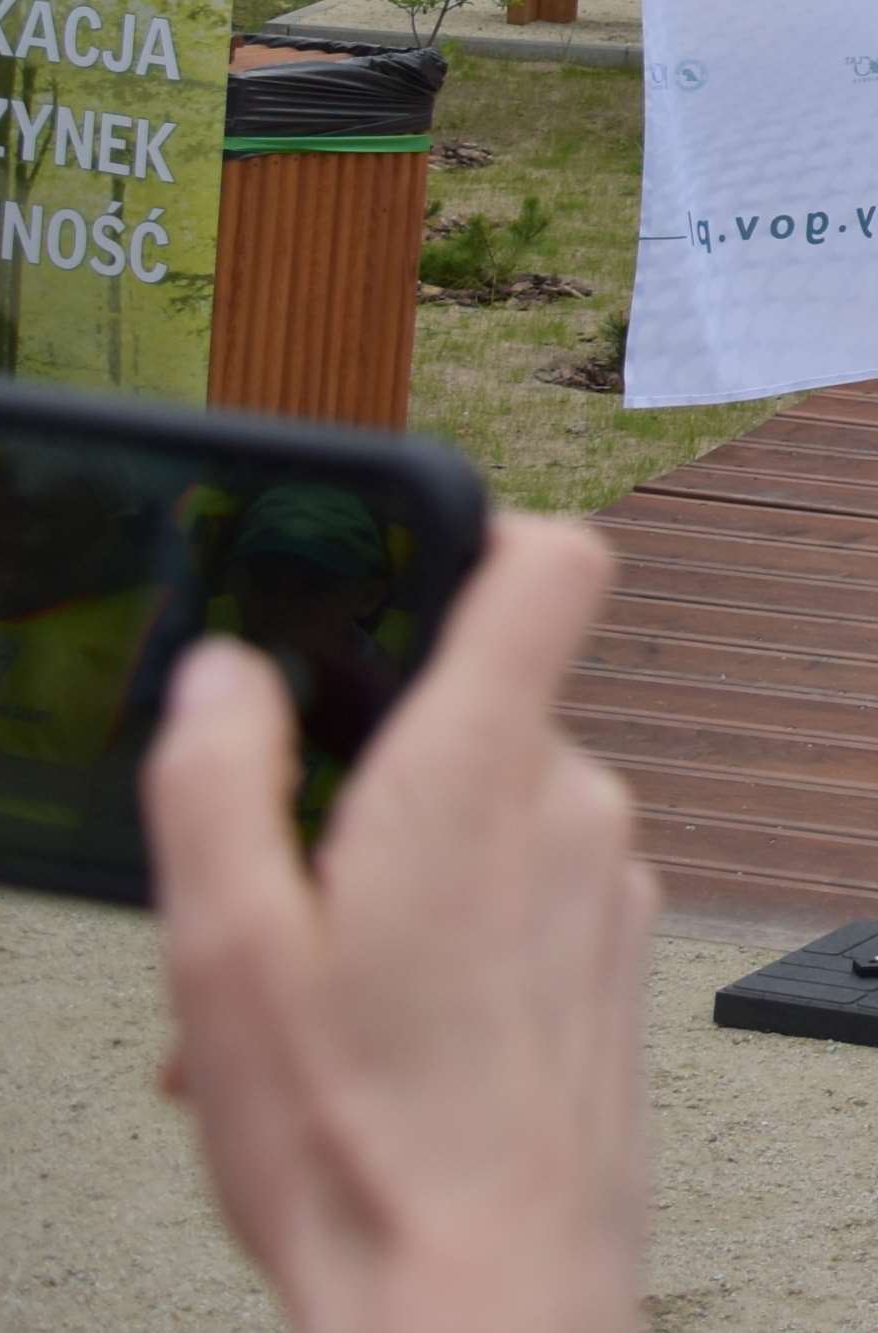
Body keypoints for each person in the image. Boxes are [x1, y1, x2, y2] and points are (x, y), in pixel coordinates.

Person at [143, 511, 654, 1333]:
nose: (287, 599)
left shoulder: (383, 699)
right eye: (269, 576)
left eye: (314, 580)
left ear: (369, 593)